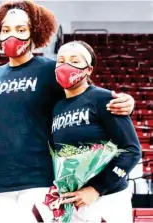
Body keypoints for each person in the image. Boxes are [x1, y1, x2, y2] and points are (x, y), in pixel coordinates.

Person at [0, 1, 136, 222]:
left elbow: (84, 95)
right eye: (6, 29)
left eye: (20, 29)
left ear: (34, 31)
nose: (12, 35)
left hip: (40, 178)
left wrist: (126, 101)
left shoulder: (49, 69)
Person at [52, 41, 141, 222]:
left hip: (107, 199)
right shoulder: (56, 107)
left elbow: (132, 151)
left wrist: (96, 188)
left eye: (74, 61)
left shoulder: (104, 99)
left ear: (89, 70)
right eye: (60, 61)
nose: (65, 65)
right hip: (73, 201)